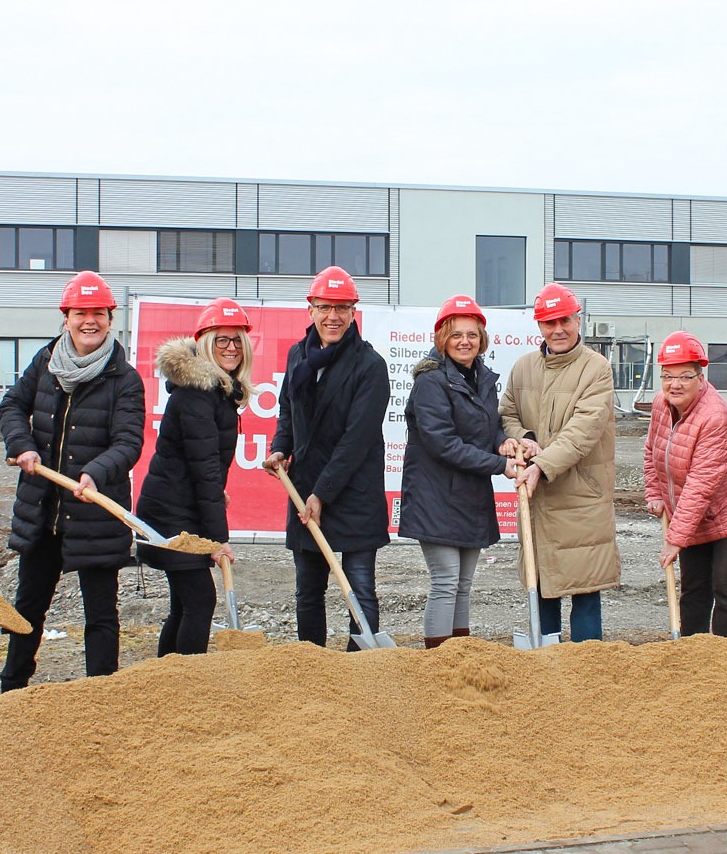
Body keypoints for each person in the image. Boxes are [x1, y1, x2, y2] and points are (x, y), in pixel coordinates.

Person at [0, 272, 144, 687]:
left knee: (100, 612)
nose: (89, 321)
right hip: (43, 510)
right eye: (81, 313)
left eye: (98, 313)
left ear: (109, 318)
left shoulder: (124, 378)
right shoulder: (46, 362)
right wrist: (21, 444)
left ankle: (100, 696)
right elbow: (12, 404)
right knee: (28, 605)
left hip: (94, 512)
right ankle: (12, 690)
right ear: (66, 318)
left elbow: (128, 443)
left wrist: (94, 473)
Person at [263, 265, 390, 650]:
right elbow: (288, 409)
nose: (332, 317)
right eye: (325, 307)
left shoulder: (370, 365)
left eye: (342, 308)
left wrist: (323, 493)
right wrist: (280, 447)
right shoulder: (298, 356)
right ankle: (311, 664)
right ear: (311, 310)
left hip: (353, 491)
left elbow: (357, 440)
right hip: (305, 489)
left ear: (354, 312)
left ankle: (361, 668)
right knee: (308, 591)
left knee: (360, 588)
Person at [498, 282, 620, 640]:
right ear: (539, 326)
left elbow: (584, 429)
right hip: (538, 503)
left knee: (584, 592)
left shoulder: (596, 369)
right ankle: (546, 673)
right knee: (542, 591)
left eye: (564, 320)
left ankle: (587, 672)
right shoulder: (523, 369)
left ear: (578, 320)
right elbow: (508, 413)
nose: (558, 329)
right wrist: (528, 440)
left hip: (581, 500)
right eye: (549, 322)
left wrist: (542, 464)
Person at [398, 296, 519, 648]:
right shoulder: (431, 382)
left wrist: (501, 443)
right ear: (442, 339)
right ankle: (438, 659)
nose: (464, 341)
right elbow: (442, 443)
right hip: (435, 496)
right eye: (456, 335)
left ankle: (460, 654)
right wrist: (500, 465)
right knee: (446, 581)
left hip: (468, 493)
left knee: (464, 583)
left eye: (471, 334)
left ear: (481, 338)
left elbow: (487, 425)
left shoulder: (481, 377)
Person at [136, 299, 253, 656]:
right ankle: (186, 684)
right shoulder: (197, 395)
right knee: (200, 601)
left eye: (237, 341)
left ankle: (166, 679)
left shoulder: (217, 392)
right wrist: (219, 540)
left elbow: (205, 469)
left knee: (184, 604)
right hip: (172, 514)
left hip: (180, 507)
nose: (230, 348)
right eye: (222, 340)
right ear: (205, 343)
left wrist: (217, 491)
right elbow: (203, 471)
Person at [643, 331, 727, 637]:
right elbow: (652, 450)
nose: (675, 384)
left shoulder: (715, 416)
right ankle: (692, 657)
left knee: (726, 588)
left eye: (685, 376)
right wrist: (655, 491)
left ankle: (725, 662)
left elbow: (701, 484)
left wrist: (675, 538)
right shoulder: (662, 403)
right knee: (694, 589)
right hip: (691, 512)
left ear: (701, 377)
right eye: (668, 375)